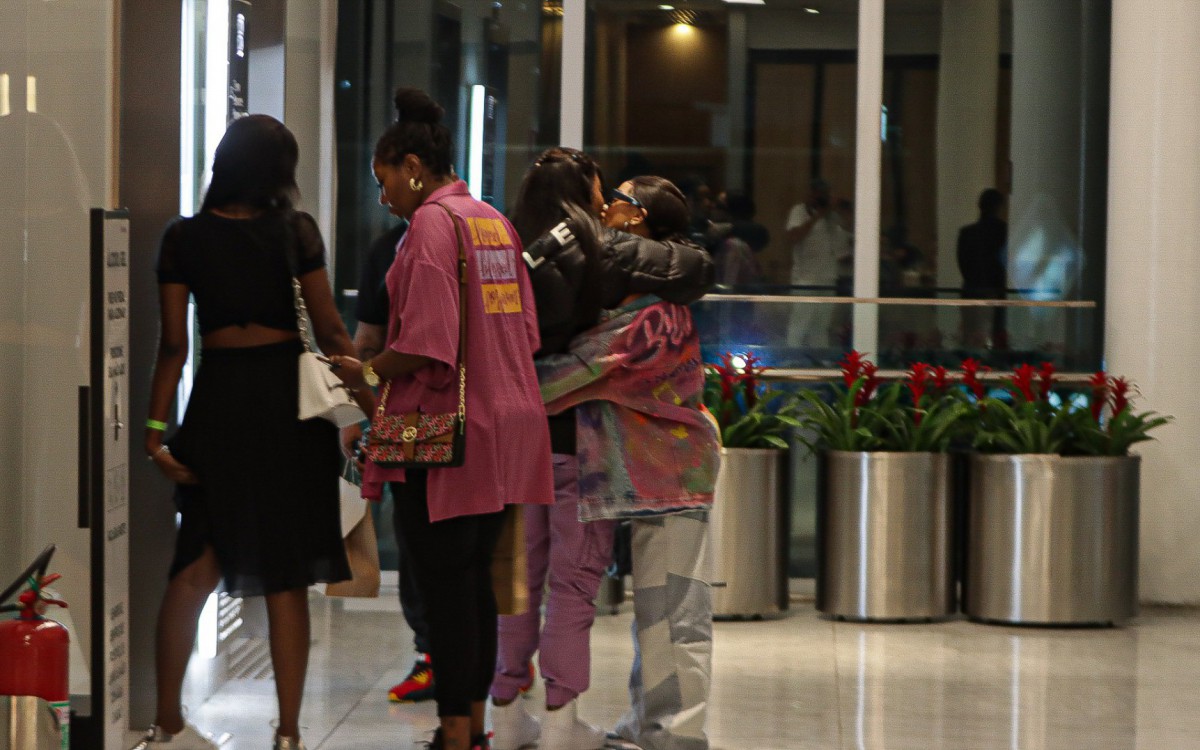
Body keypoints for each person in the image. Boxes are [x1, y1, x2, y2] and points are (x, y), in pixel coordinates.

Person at [330, 88, 554, 750]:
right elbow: (528, 331)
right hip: (505, 426)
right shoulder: (493, 222)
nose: (383, 197)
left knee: (445, 591)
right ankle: (472, 729)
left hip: (443, 437)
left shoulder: (431, 227)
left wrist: (363, 374)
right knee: (477, 585)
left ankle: (455, 734)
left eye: (384, 181)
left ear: (409, 165)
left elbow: (427, 342)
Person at [136, 115, 365, 750]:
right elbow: (331, 333)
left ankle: (166, 723)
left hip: (219, 407)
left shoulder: (183, 238)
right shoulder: (295, 232)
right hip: (285, 411)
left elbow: (174, 348)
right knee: (287, 574)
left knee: (196, 563)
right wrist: (371, 399)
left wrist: (156, 434)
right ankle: (288, 734)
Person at [488, 149, 714, 750]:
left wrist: (501, 388)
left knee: (523, 583)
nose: (604, 204)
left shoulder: (526, 253)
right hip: (594, 463)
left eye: (617, 197)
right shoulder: (611, 274)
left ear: (638, 220)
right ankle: (564, 725)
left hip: (642, 466)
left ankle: (513, 716)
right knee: (575, 589)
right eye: (601, 192)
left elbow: (584, 366)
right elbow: (586, 369)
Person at [785, 177, 853, 347]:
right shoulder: (800, 211)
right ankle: (791, 358)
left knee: (821, 326)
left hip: (828, 279)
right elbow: (793, 237)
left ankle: (820, 360)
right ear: (810, 194)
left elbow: (844, 248)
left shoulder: (832, 218)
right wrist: (817, 216)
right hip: (805, 280)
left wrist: (840, 209)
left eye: (825, 195)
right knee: (799, 323)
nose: (821, 198)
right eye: (818, 195)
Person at [957, 187, 1008, 348]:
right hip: (995, 290)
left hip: (972, 289)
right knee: (995, 335)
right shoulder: (1003, 231)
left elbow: (963, 263)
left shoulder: (967, 233)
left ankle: (968, 365)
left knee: (971, 336)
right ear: (999, 207)